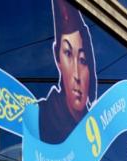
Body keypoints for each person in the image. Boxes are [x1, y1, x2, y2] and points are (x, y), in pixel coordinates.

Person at [39, 0, 99, 144]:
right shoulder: (42, 117)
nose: (77, 75)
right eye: (68, 54)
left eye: (83, 60)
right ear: (57, 58)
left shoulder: (96, 130)